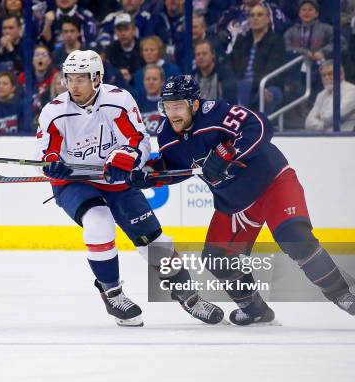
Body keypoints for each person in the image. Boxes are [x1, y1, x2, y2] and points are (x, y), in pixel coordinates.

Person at [128, 75, 355, 325]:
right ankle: (255, 309)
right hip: (235, 203)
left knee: (295, 237)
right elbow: (177, 167)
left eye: (177, 105)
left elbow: (259, 125)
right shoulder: (168, 134)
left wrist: (227, 152)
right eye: (167, 106)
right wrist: (149, 176)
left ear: (195, 104)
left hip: (273, 183)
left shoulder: (216, 113)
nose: (171, 113)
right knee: (216, 258)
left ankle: (341, 294)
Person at [34, 50, 224, 327]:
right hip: (75, 182)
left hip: (115, 181)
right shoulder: (54, 111)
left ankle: (189, 296)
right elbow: (45, 154)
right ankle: (112, 292)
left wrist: (126, 158)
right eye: (70, 79)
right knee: (98, 222)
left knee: (155, 242)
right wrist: (52, 164)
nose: (73, 86)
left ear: (97, 78)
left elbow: (139, 141)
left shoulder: (118, 100)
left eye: (81, 79)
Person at [229, 4, 286, 112]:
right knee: (237, 87)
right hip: (242, 85)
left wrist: (257, 86)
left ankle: (243, 122)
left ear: (268, 19)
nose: (255, 18)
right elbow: (231, 65)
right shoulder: (241, 40)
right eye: (252, 15)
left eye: (260, 15)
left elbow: (273, 69)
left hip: (267, 85)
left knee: (268, 93)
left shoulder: (277, 41)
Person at [305, 61, 355, 132]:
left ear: (341, 75)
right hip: (323, 138)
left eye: (330, 74)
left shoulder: (353, 91)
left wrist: (319, 118)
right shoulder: (321, 95)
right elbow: (308, 122)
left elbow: (333, 116)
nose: (326, 77)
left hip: (347, 138)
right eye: (323, 75)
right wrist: (323, 125)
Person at [193, 39, 238, 104]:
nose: (201, 57)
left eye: (204, 53)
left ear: (213, 55)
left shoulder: (225, 74)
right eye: (198, 54)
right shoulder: (193, 77)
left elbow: (231, 102)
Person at [105, 13, 144, 86]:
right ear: (115, 32)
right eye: (119, 30)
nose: (123, 33)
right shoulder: (110, 49)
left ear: (134, 30)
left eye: (126, 29)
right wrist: (118, 73)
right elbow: (109, 70)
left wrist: (132, 77)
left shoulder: (143, 47)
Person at [135, 64, 165, 135]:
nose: (151, 82)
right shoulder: (136, 104)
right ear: (143, 81)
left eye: (154, 79)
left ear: (162, 82)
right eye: (147, 79)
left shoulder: (169, 103)